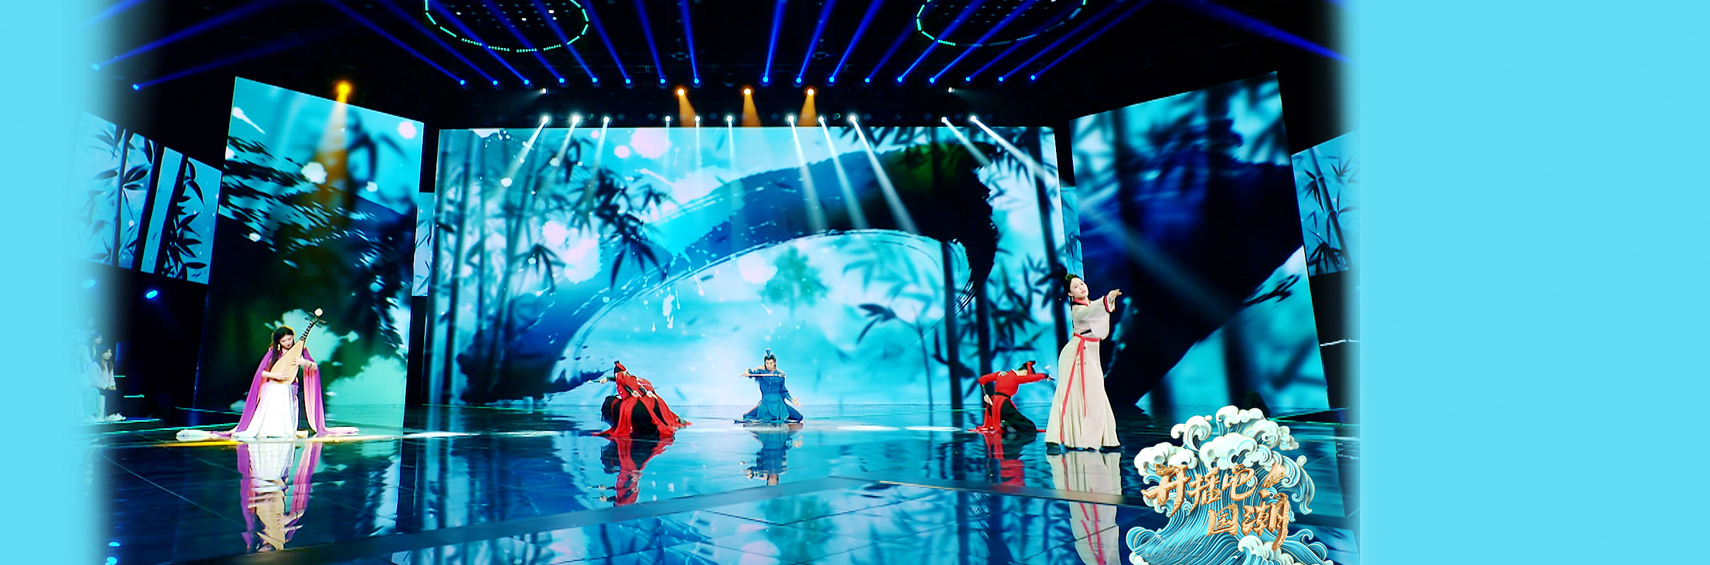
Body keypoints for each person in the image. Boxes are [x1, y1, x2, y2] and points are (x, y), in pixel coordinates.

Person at [178, 323, 357, 441]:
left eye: (290, 339)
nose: (288, 342)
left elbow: (315, 367)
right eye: (284, 340)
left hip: (290, 387)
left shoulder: (301, 350)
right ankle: (269, 429)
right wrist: (275, 376)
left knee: (285, 396)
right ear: (278, 341)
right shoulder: (273, 352)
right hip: (275, 387)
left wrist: (304, 362)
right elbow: (261, 373)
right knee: (274, 393)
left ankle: (285, 430)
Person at [1045, 274, 1122, 451]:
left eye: (1081, 283)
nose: (1081, 287)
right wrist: (1107, 298)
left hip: (1091, 353)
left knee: (1097, 393)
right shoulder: (1077, 310)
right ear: (1070, 294)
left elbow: (1098, 315)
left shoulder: (1091, 305)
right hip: (1075, 355)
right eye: (1075, 287)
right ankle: (1054, 438)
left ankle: (1106, 438)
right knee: (1067, 394)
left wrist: (1108, 300)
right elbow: (1093, 311)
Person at [595, 362, 686, 437]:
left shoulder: (622, 378)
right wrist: (607, 379)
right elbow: (634, 385)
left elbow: (625, 384)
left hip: (630, 399)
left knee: (624, 410)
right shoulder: (631, 378)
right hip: (636, 397)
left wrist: (633, 392)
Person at [972, 361, 1052, 435]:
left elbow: (982, 379)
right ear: (1025, 372)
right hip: (1003, 405)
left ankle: (1005, 423)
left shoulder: (1001, 374)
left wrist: (985, 394)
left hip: (993, 405)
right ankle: (1005, 424)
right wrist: (1045, 375)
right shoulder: (1015, 377)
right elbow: (1032, 378)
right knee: (1029, 426)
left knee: (1016, 423)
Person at [738, 350, 803, 423]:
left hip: (779, 403)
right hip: (765, 403)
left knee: (799, 417)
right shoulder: (761, 371)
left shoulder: (780, 374)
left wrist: (792, 400)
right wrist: (747, 372)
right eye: (767, 363)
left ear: (774, 363)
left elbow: (783, 391)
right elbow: (751, 372)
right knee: (746, 416)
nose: (769, 365)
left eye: (771, 363)